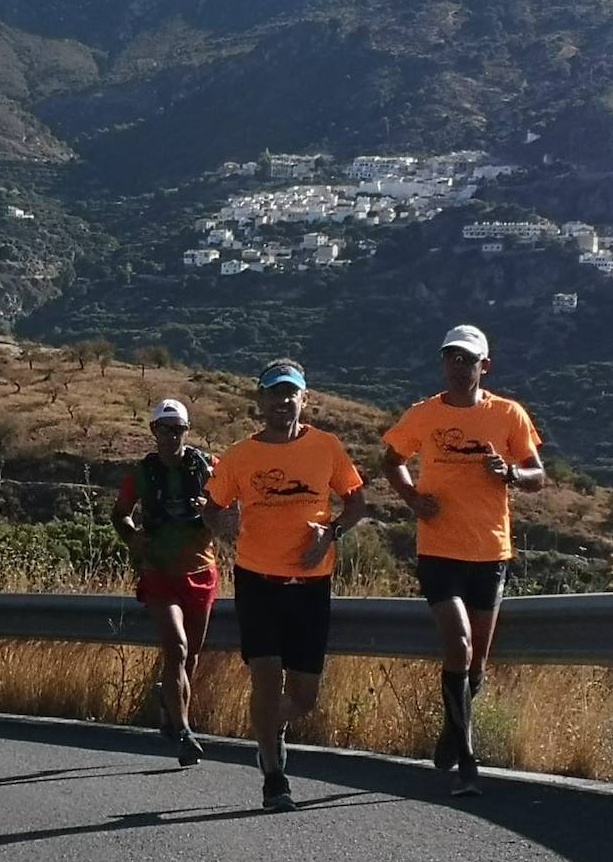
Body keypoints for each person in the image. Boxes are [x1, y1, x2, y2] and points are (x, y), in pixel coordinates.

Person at [381, 325, 545, 797]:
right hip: (438, 549)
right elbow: (390, 459)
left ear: (483, 367)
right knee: (459, 646)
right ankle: (467, 757)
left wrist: (511, 472)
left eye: (467, 360)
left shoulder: (508, 414)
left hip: (490, 551)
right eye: (451, 358)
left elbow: (538, 475)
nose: (458, 366)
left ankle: (452, 730)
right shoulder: (423, 414)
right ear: (444, 364)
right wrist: (412, 498)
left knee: (476, 665)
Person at [203, 360, 366, 810]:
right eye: (274, 394)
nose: (282, 401)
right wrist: (223, 522)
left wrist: (332, 531)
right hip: (259, 580)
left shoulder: (327, 448)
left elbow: (356, 502)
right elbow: (210, 510)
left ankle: (267, 731)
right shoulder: (239, 457)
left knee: (304, 696)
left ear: (304, 399)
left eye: (290, 393)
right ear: (261, 401)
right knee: (265, 676)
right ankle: (274, 776)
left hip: (312, 584)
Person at [111, 399, 219, 766]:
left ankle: (169, 709)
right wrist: (133, 539)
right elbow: (120, 515)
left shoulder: (208, 467)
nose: (172, 436)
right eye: (165, 429)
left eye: (178, 429)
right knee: (176, 648)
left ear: (187, 432)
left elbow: (231, 508)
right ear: (154, 431)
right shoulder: (141, 473)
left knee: (191, 656)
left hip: (201, 571)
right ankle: (185, 732)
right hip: (159, 571)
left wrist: (211, 511)